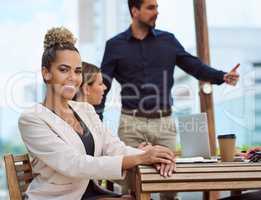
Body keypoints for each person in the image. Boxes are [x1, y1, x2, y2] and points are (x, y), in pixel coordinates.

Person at [97, 0, 240, 199]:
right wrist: (96, 118)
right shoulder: (115, 45)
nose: (156, 12)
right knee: (131, 189)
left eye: (157, 7)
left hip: (164, 124)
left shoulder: (168, 41)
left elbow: (194, 65)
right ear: (134, 11)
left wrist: (222, 76)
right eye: (150, 7)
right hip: (131, 125)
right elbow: (103, 84)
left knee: (170, 187)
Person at [18, 27, 175, 200]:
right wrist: (141, 158)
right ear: (46, 73)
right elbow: (75, 164)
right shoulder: (32, 119)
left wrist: (157, 156)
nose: (72, 77)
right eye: (64, 70)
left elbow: (114, 148)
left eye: (77, 71)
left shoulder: (85, 109)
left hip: (91, 193)